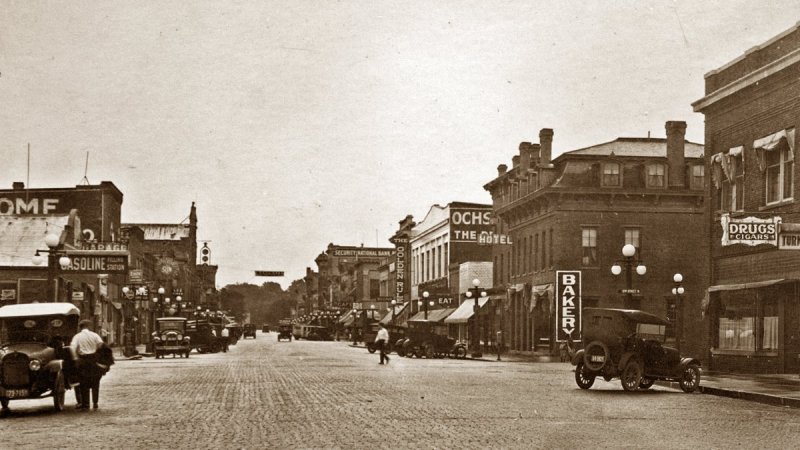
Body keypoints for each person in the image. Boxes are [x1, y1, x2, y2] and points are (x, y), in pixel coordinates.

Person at [70, 320, 105, 410]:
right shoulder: (95, 335)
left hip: (83, 360)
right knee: (95, 382)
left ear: (80, 327)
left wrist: (75, 358)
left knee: (83, 383)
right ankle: (95, 403)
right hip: (94, 360)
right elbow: (101, 344)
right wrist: (97, 352)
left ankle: (86, 404)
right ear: (88, 326)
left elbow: (72, 347)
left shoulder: (77, 336)